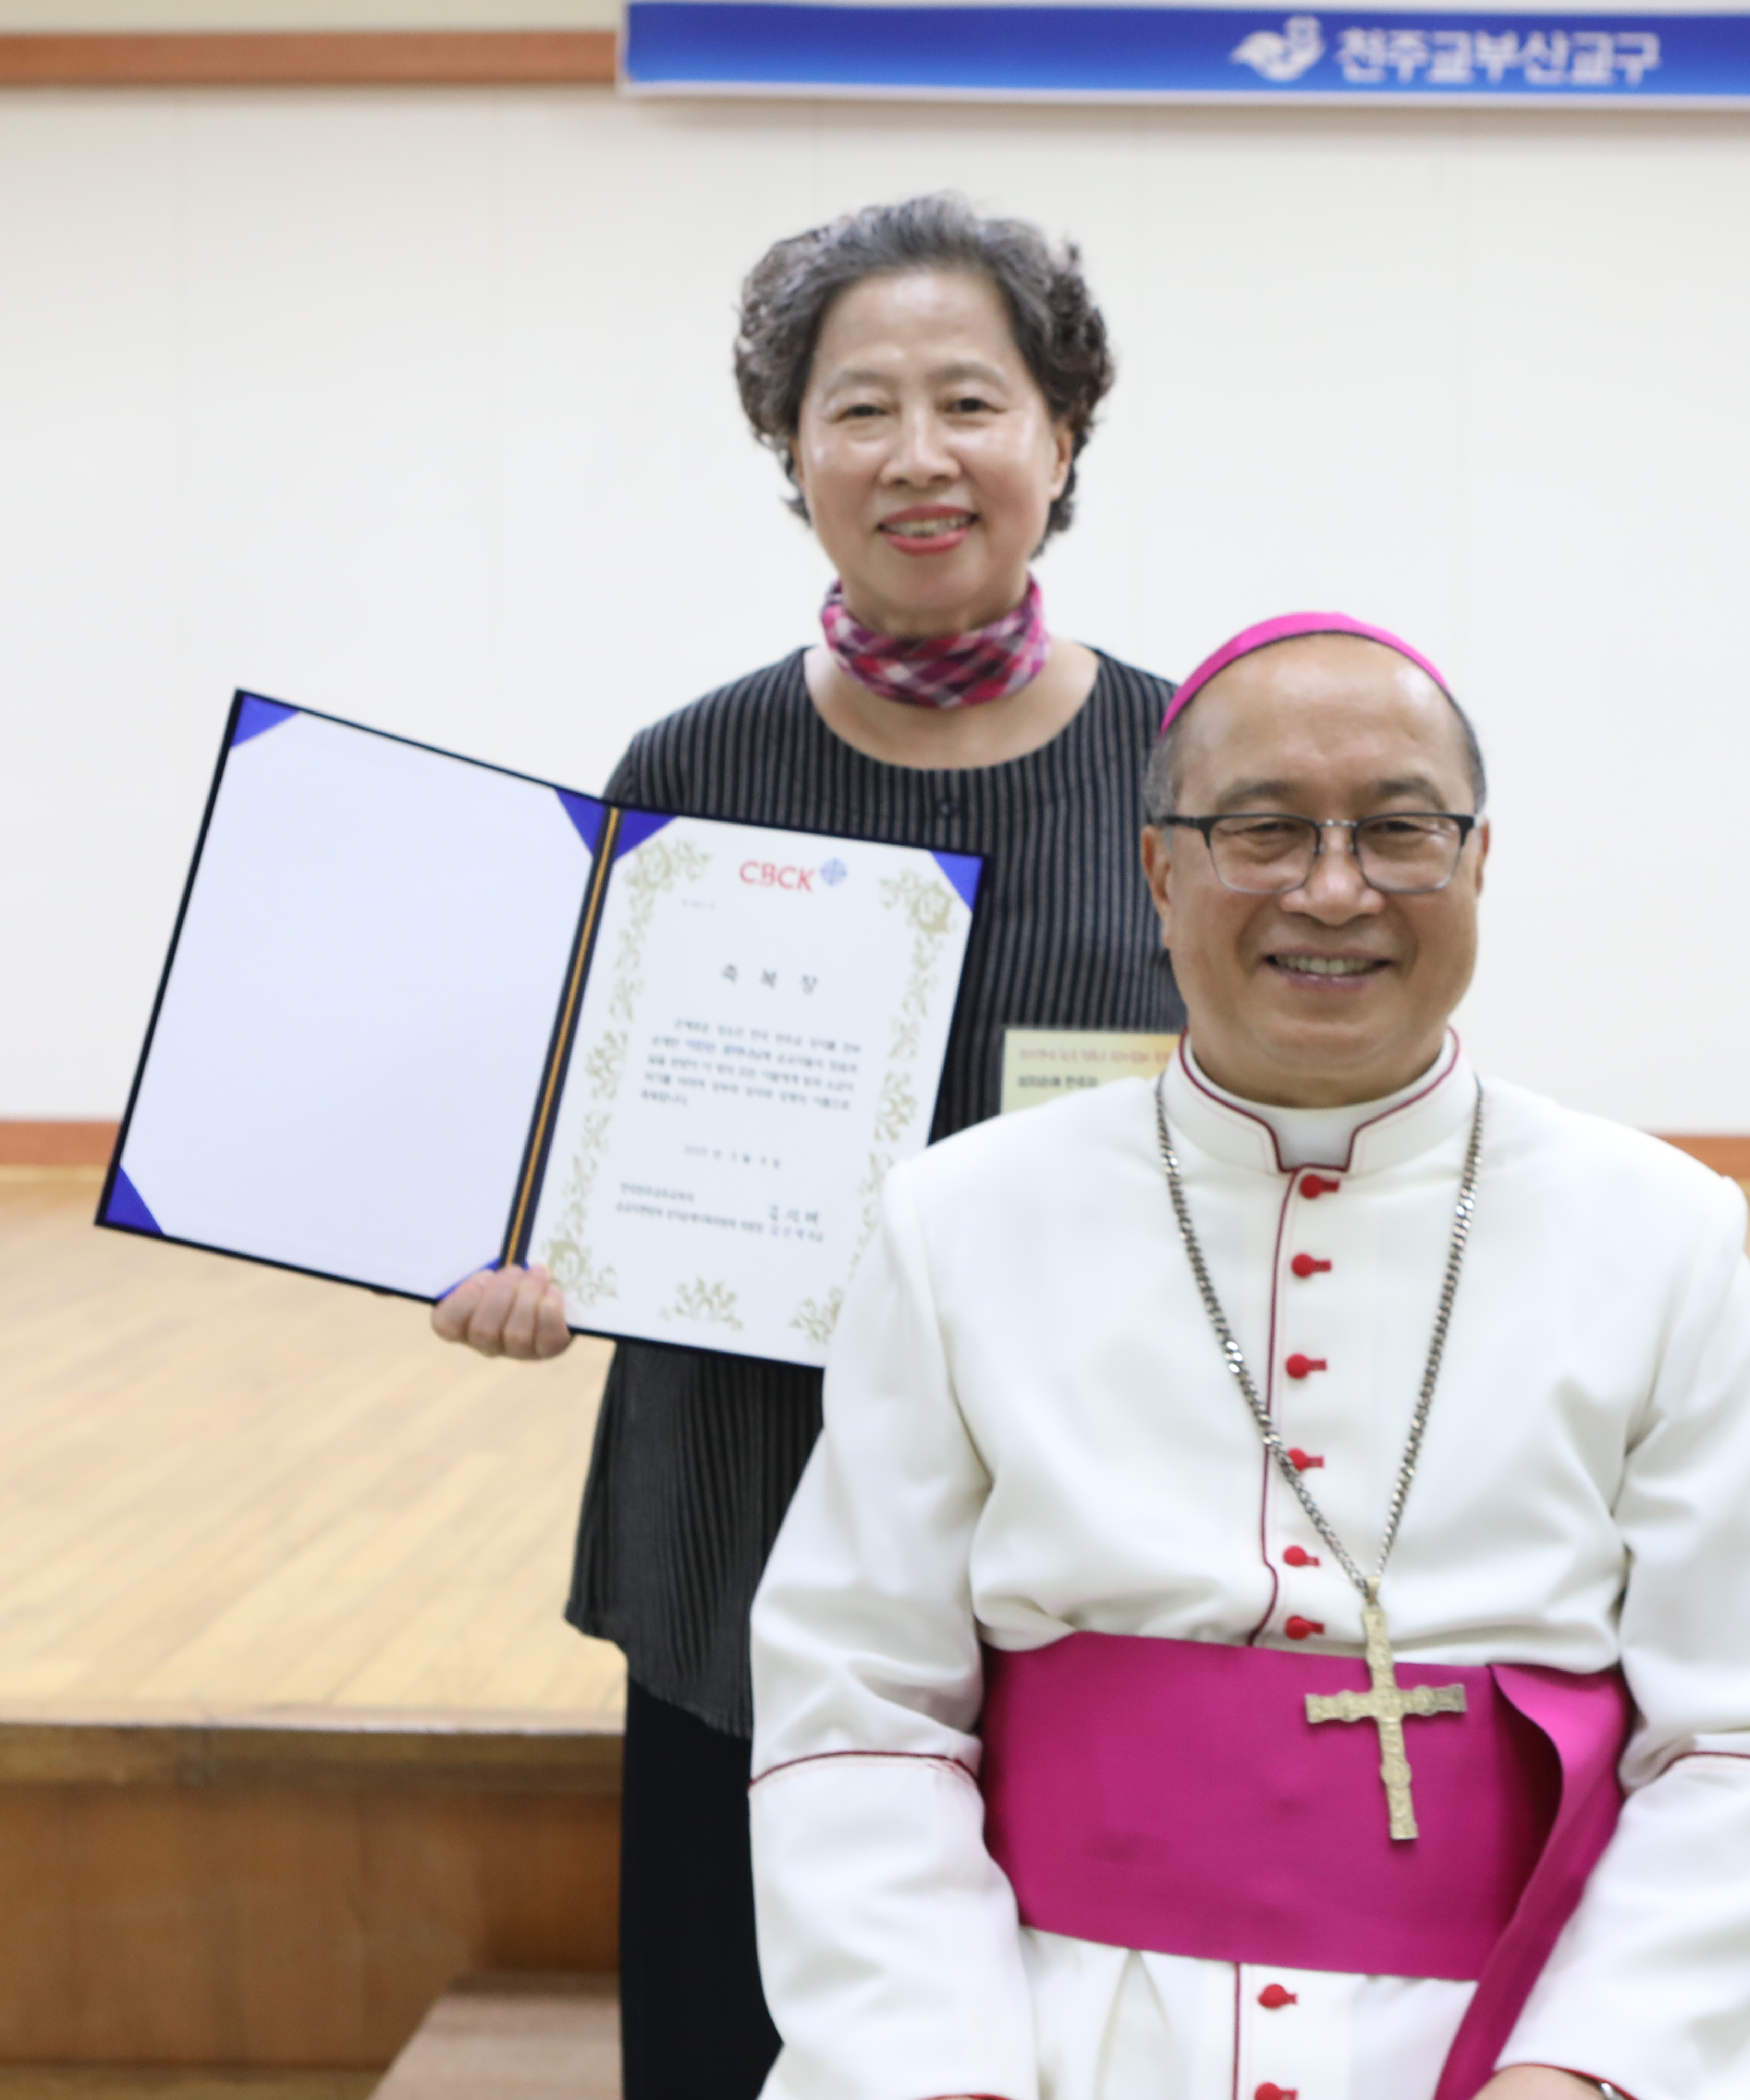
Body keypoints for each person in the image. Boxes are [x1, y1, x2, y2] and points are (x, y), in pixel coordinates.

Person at [745, 616, 1750, 2100]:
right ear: (1161, 871)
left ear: (1479, 865)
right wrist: (943, 2068)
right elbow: (859, 1704)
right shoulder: (961, 1222)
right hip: (1055, 2030)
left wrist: (1590, 2069)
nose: (1333, 890)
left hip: (1516, 2035)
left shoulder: (1660, 1235)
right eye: (1263, 830)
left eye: (1400, 831)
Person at [431, 195, 1185, 2100]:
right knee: (733, 2026)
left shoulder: (1199, 760)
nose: (917, 457)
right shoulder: (689, 767)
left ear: (1062, 437)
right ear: (792, 453)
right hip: (744, 1515)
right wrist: (531, 1257)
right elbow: (577, 1130)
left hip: (1090, 1503)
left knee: (1078, 2029)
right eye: (859, 409)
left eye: (969, 402)